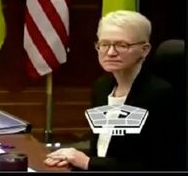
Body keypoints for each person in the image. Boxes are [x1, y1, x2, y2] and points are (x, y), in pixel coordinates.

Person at [44, 11, 181, 171]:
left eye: (122, 45)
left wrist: (87, 162)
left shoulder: (160, 94)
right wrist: (74, 159)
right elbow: (103, 150)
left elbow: (158, 164)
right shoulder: (101, 87)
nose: (110, 53)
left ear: (144, 50)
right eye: (104, 44)